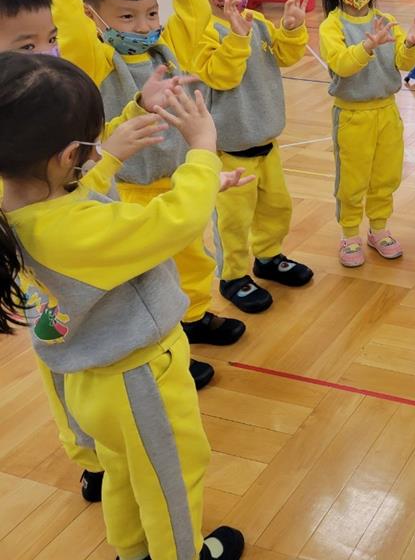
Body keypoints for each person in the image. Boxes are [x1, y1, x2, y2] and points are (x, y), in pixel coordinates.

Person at [0, 52, 247, 560]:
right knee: (172, 478)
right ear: (69, 155)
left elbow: (70, 196)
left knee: (125, 471)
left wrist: (113, 148)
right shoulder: (73, 232)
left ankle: (132, 551)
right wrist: (203, 153)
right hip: (140, 378)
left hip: (94, 380)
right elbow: (175, 222)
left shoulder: (20, 210)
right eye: (90, 146)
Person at [38, 0, 244, 387]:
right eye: (127, 16)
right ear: (94, 17)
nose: (144, 26)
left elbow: (194, 9)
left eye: (151, 12)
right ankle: (165, 344)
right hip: (128, 191)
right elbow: (71, 32)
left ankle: (193, 317)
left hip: (176, 182)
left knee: (195, 260)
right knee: (150, 277)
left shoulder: (169, 48)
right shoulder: (96, 60)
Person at [174, 0, 313, 311]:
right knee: (233, 222)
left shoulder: (257, 21)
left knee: (276, 208)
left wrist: (291, 29)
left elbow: (285, 56)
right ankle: (233, 275)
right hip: (229, 151)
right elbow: (223, 75)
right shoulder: (202, 32)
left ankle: (269, 256)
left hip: (266, 142)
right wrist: (236, 37)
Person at [317, 0, 415, 266]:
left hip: (387, 112)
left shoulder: (386, 20)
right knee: (352, 180)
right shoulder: (331, 26)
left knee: (386, 176)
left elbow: (403, 62)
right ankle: (350, 234)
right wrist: (366, 47)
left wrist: (410, 43)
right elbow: (342, 64)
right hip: (352, 116)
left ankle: (378, 228)